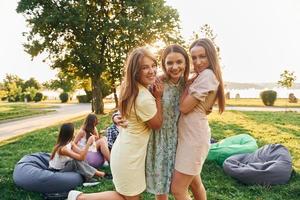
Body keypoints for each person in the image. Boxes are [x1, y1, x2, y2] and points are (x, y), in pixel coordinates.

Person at [68, 47, 163, 200]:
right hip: (129, 157)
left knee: (126, 197)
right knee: (129, 198)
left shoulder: (130, 88)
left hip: (126, 151)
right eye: (145, 67)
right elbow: (157, 124)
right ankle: (80, 198)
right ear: (135, 71)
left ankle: (79, 198)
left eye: (153, 65)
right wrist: (158, 98)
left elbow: (125, 114)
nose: (152, 71)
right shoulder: (144, 98)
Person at [171, 38, 225, 200]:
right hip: (191, 136)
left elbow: (184, 107)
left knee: (178, 189)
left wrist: (186, 85)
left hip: (193, 139)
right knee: (195, 183)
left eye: (202, 57)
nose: (198, 62)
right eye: (194, 58)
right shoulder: (203, 75)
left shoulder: (207, 75)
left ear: (211, 56)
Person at [145, 44, 190, 200]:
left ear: (186, 63)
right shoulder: (156, 83)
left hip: (180, 138)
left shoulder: (188, 84)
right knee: (162, 185)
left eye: (179, 62)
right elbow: (135, 101)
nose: (175, 67)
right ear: (163, 64)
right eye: (169, 63)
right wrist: (116, 116)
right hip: (160, 138)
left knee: (183, 184)